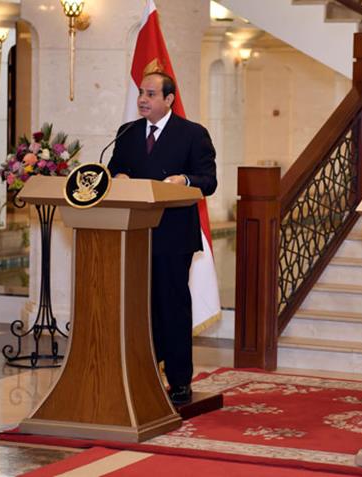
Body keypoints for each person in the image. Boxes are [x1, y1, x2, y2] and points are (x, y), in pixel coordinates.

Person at [107, 71, 217, 405]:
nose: (143, 99)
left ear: (169, 99)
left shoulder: (192, 134)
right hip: (134, 233)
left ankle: (180, 380)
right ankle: (144, 373)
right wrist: (118, 175)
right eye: (141, 92)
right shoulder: (126, 133)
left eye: (151, 94)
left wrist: (184, 180)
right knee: (139, 308)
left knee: (172, 308)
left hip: (173, 237)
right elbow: (112, 169)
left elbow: (208, 181)